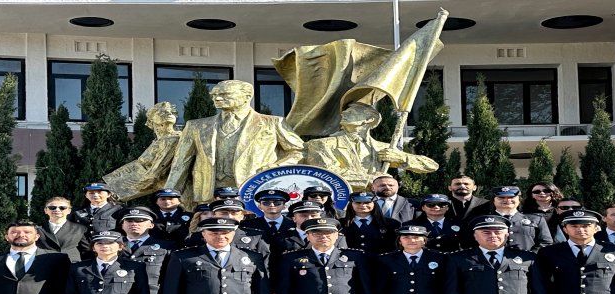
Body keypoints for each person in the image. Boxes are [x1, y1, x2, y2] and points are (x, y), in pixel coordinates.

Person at [165, 79, 305, 206]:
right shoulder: (196, 126)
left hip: (254, 194)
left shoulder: (273, 123)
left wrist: (275, 168)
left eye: (225, 94)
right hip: (209, 196)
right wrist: (168, 195)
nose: (217, 98)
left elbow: (298, 151)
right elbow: (180, 163)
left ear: (247, 96)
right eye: (214, 95)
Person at [304, 102, 438, 191]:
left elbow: (431, 166)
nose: (344, 114)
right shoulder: (322, 144)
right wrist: (370, 180)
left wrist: (402, 158)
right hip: (340, 203)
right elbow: (326, 174)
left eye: (351, 112)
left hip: (374, 206)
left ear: (369, 120)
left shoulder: (382, 148)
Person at [340, 191, 397, 294]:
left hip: (380, 271)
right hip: (349, 271)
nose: (363, 206)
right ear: (351, 204)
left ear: (374, 204)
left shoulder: (390, 224)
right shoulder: (341, 224)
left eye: (367, 202)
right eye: (358, 202)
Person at [103, 101, 182, 201]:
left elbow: (160, 168)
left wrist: (135, 186)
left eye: (170, 112)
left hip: (170, 188)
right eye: (162, 112)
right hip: (151, 182)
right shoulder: (157, 141)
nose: (169, 114)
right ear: (151, 120)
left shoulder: (173, 138)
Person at [488, 186, 552, 253]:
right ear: (493, 200)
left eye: (512, 197)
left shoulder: (536, 219)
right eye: (501, 197)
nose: (507, 200)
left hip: (527, 261)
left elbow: (546, 243)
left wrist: (530, 257)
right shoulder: (483, 220)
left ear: (519, 200)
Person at [36, 196, 92, 262]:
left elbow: (86, 250)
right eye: (52, 208)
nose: (57, 210)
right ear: (46, 210)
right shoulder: (36, 228)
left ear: (69, 211)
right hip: (43, 263)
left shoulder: (80, 229)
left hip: (71, 265)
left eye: (62, 208)